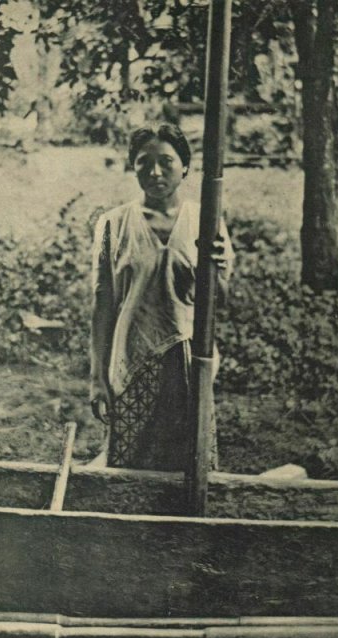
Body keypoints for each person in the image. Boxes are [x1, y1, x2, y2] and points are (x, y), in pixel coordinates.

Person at [90, 124, 234, 472]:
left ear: (184, 166)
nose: (155, 172)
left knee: (188, 462)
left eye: (166, 161)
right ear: (133, 166)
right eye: (144, 162)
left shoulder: (205, 219)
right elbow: (103, 306)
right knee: (128, 461)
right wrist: (97, 378)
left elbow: (223, 301)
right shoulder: (114, 224)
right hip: (132, 357)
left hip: (188, 356)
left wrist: (209, 269)